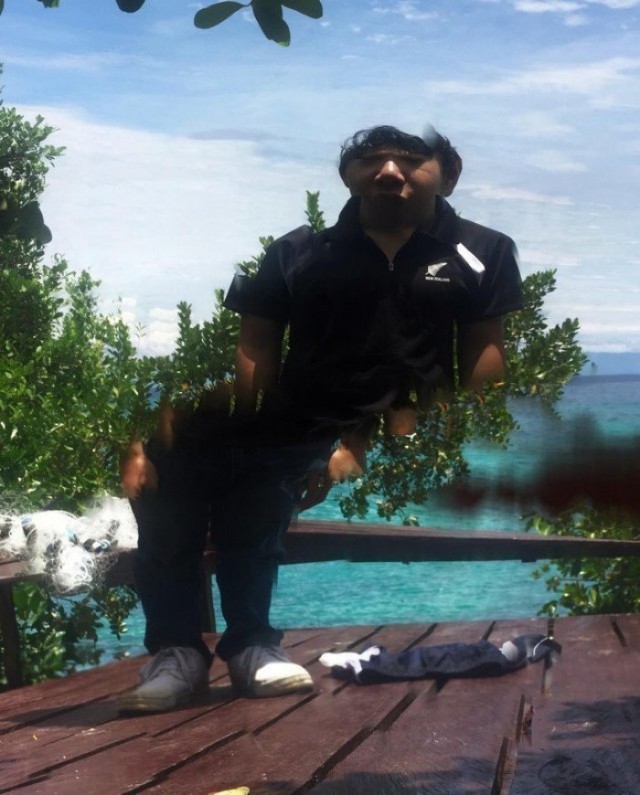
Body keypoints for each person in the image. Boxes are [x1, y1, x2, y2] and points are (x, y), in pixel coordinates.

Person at [118, 124, 522, 712]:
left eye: (409, 160)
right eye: (371, 159)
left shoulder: (484, 251)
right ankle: (176, 653)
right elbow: (257, 344)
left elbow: (483, 360)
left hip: (327, 427)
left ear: (448, 175)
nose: (389, 171)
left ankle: (251, 646)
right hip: (269, 420)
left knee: (254, 526)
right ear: (348, 177)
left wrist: (370, 439)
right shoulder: (297, 251)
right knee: (168, 514)